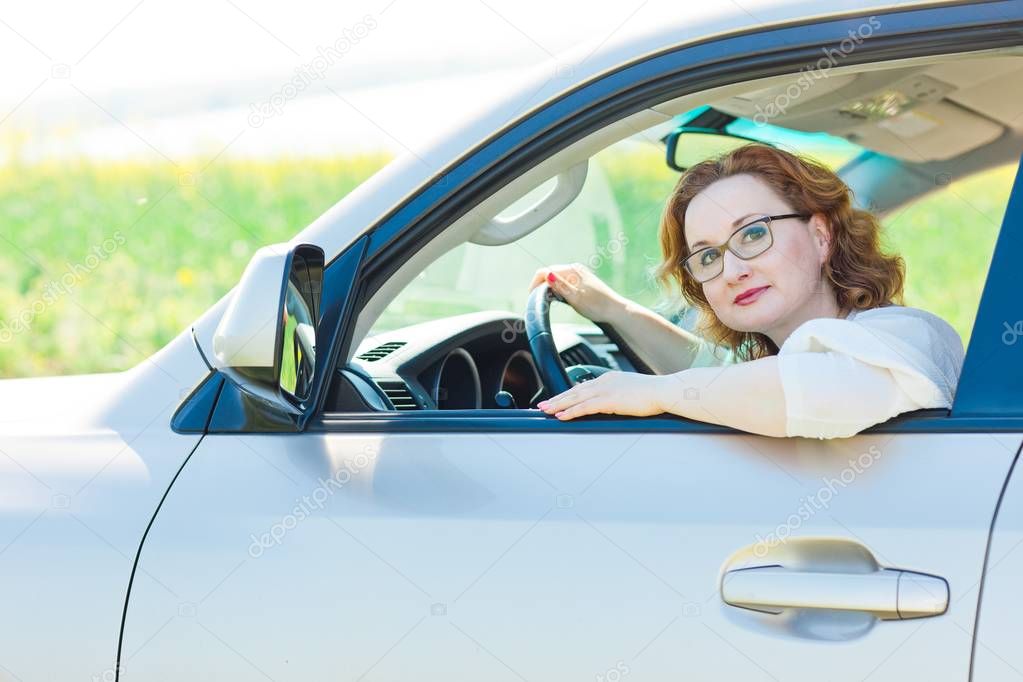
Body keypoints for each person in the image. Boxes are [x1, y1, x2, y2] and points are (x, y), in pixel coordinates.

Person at [529, 144, 964, 439]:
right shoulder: (771, 367)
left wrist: (653, 393)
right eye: (707, 257)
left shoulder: (910, 336)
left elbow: (819, 389)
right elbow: (716, 371)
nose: (732, 270)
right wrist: (613, 310)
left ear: (820, 235)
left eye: (753, 234)